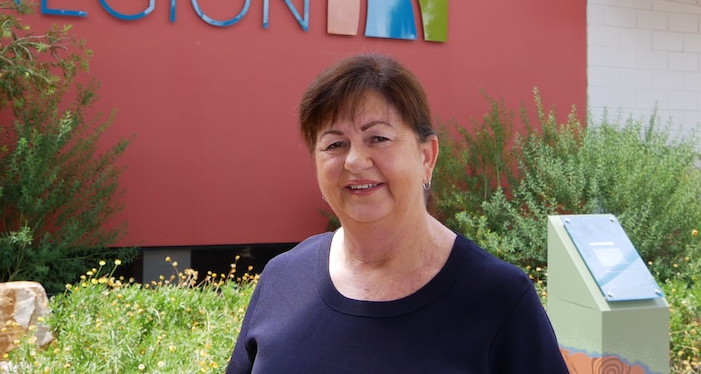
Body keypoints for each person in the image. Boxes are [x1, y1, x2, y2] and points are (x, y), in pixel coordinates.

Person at [225, 53, 570, 373]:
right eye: (334, 144)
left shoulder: (500, 300)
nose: (356, 161)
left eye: (378, 138)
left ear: (426, 157)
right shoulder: (283, 279)